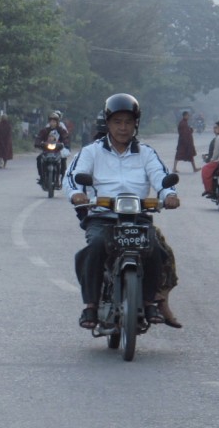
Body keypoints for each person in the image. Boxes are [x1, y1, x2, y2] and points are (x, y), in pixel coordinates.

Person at [66, 93, 180, 329]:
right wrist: (77, 194)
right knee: (95, 247)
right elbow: (74, 176)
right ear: (107, 123)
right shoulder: (92, 151)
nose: (123, 127)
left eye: (128, 122)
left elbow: (161, 176)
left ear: (135, 124)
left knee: (156, 251)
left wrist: (169, 195)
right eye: (117, 122)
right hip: (102, 217)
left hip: (137, 217)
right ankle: (90, 307)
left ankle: (150, 302)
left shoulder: (146, 153)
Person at [34, 111, 67, 186]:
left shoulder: (61, 130)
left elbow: (66, 138)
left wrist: (65, 143)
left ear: (57, 122)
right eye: (51, 121)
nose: (52, 123)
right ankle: (42, 177)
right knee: (39, 159)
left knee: (63, 159)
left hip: (57, 151)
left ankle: (62, 178)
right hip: (46, 151)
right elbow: (39, 137)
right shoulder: (45, 130)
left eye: (54, 121)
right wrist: (37, 143)